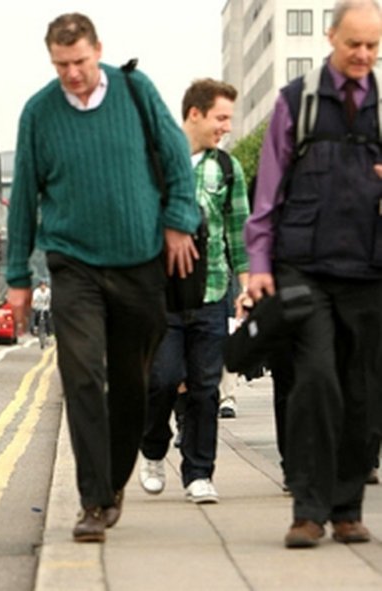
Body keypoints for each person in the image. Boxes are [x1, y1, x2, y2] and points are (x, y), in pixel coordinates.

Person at [6, 12, 201, 544]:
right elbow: (23, 196)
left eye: (79, 62)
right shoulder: (39, 113)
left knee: (135, 384)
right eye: (61, 65)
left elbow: (176, 160)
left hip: (139, 263)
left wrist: (178, 222)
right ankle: (93, 500)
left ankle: (113, 481)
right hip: (74, 264)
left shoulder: (137, 91)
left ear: (98, 50)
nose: (72, 74)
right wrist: (17, 275)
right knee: (82, 375)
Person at [245, 0, 382, 548]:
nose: (363, 55)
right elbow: (267, 193)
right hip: (305, 269)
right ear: (330, 37)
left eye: (373, 46)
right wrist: (259, 266)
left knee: (362, 392)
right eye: (354, 44)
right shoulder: (294, 102)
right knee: (316, 381)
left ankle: (347, 509)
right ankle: (307, 510)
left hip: (369, 270)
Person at [138, 78, 250, 504]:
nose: (227, 127)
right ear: (195, 114)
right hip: (161, 296)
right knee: (162, 380)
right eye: (221, 118)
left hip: (212, 293)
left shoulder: (228, 168)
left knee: (205, 389)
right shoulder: (154, 163)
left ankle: (199, 473)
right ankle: (153, 448)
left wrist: (246, 286)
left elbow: (239, 232)